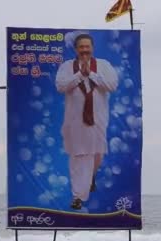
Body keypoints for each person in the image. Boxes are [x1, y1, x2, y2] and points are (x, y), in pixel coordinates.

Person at [55, 33, 118, 209]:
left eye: (87, 46)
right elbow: (60, 86)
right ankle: (78, 196)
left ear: (92, 48)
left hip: (98, 120)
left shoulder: (104, 65)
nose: (84, 50)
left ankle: (90, 178)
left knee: (97, 154)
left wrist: (91, 74)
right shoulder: (67, 67)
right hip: (75, 121)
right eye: (81, 47)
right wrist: (78, 76)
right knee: (78, 156)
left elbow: (112, 86)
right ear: (76, 49)